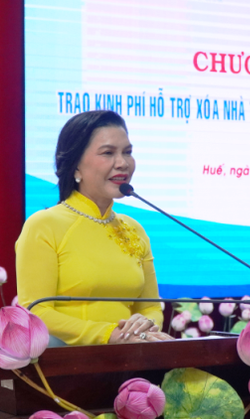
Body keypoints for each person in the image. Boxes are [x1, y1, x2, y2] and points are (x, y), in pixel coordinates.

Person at [16, 110, 173, 345]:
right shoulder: (44, 225)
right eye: (108, 153)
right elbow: (36, 312)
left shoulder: (135, 229)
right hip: (69, 363)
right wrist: (110, 335)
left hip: (133, 357)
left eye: (127, 152)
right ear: (76, 166)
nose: (122, 163)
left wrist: (145, 324)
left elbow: (150, 306)